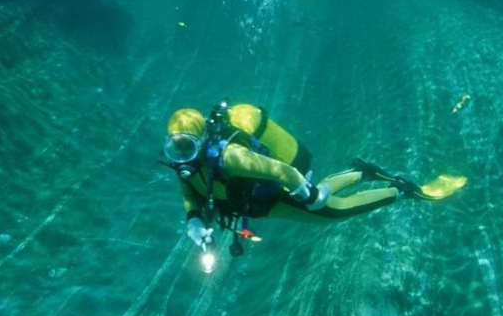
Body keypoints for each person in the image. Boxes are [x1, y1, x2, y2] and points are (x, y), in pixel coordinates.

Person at [163, 101, 465, 265]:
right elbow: (190, 194)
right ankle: (361, 172)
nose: (181, 156)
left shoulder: (231, 157)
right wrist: (194, 222)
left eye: (187, 147)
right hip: (259, 203)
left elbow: (280, 170)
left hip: (273, 192)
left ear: (202, 141)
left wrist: (305, 193)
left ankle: (402, 189)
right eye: (175, 148)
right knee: (325, 200)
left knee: (333, 213)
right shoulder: (184, 166)